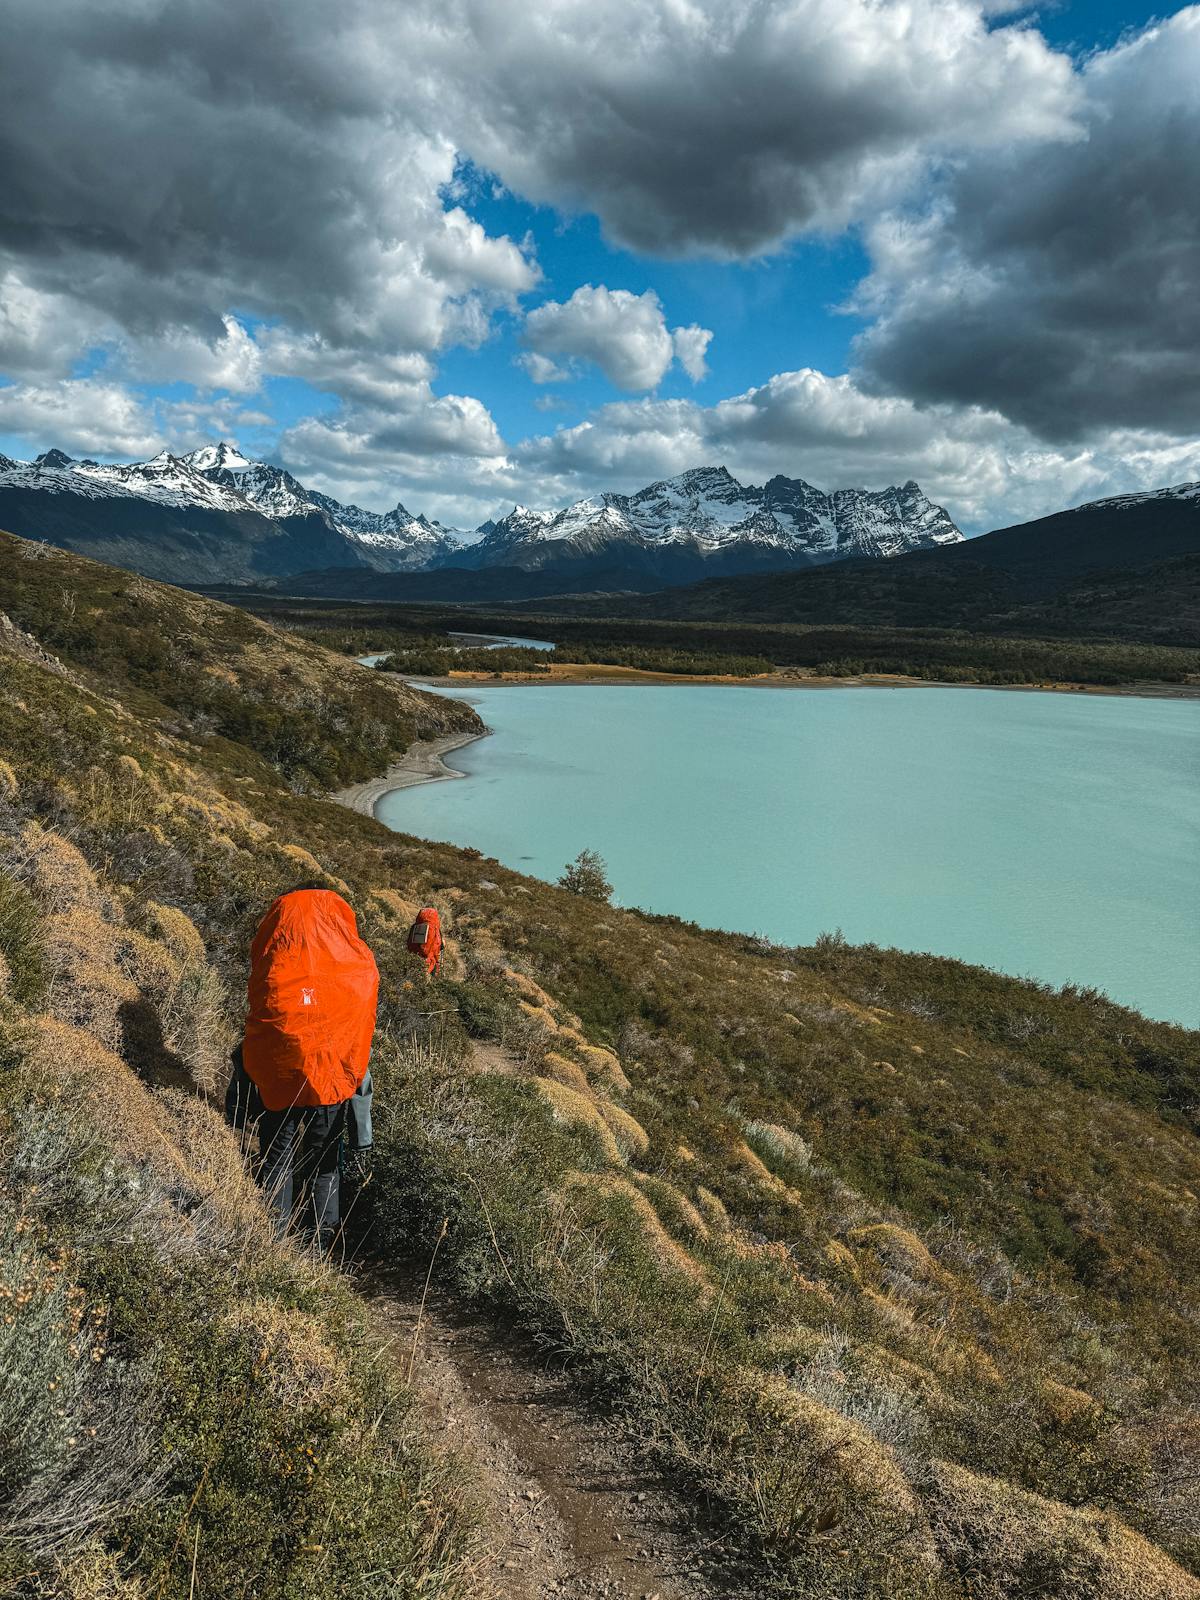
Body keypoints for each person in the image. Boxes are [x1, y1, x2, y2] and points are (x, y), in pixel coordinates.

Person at [226, 886, 378, 1249]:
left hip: (281, 1077)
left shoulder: (275, 963)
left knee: (276, 1158)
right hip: (333, 1080)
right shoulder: (357, 967)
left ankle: (272, 1242)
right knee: (325, 1161)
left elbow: (261, 1018)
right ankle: (323, 1244)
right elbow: (360, 1025)